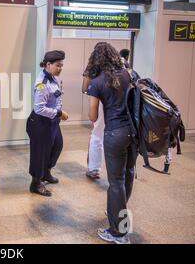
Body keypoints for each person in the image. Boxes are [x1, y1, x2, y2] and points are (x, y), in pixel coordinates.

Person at [86, 42, 137, 244]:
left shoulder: (97, 82)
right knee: (128, 174)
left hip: (115, 134)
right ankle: (120, 213)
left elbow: (92, 116)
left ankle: (119, 232)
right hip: (133, 133)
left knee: (115, 182)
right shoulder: (129, 74)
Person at [26, 50, 68, 197]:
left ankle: (46, 172)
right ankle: (36, 183)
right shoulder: (42, 83)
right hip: (40, 122)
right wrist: (58, 113)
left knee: (57, 145)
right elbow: (39, 108)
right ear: (48, 64)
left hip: (52, 121)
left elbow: (57, 96)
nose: (60, 68)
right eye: (58, 65)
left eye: (62, 65)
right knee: (40, 153)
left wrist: (58, 111)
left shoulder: (54, 78)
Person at [82, 67, 104, 180]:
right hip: (117, 103)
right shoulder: (119, 65)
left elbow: (84, 88)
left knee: (97, 134)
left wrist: (92, 94)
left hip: (99, 101)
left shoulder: (93, 65)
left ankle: (93, 168)